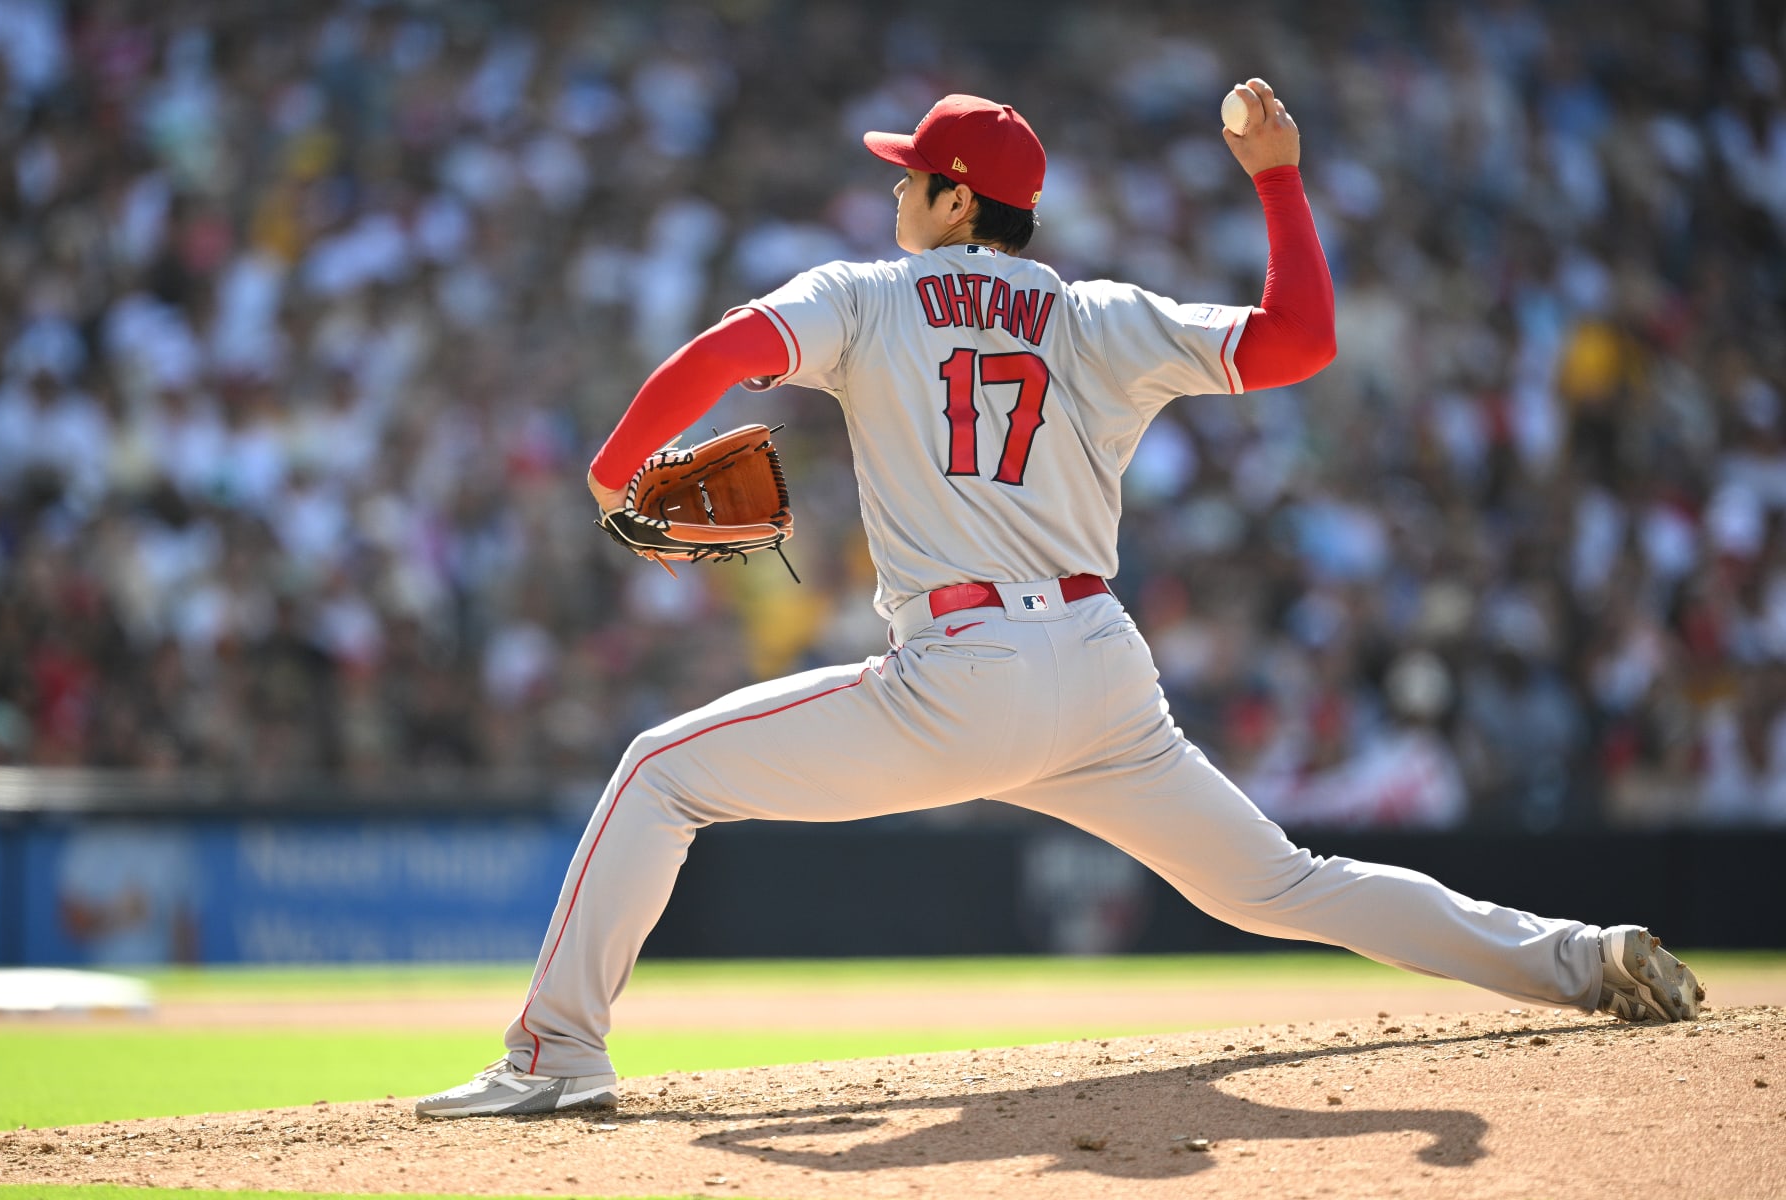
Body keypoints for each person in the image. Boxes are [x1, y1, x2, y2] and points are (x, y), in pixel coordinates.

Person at [415, 82, 1703, 1119]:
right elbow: (1298, 341)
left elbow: (725, 356)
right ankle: (1581, 959)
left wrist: (605, 467)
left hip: (957, 671)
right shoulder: (1098, 317)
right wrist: (1278, 181)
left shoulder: (863, 296)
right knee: (1286, 884)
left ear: (952, 195)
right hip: (1098, 672)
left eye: (907, 173)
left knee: (657, 771)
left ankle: (555, 1055)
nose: (893, 188)